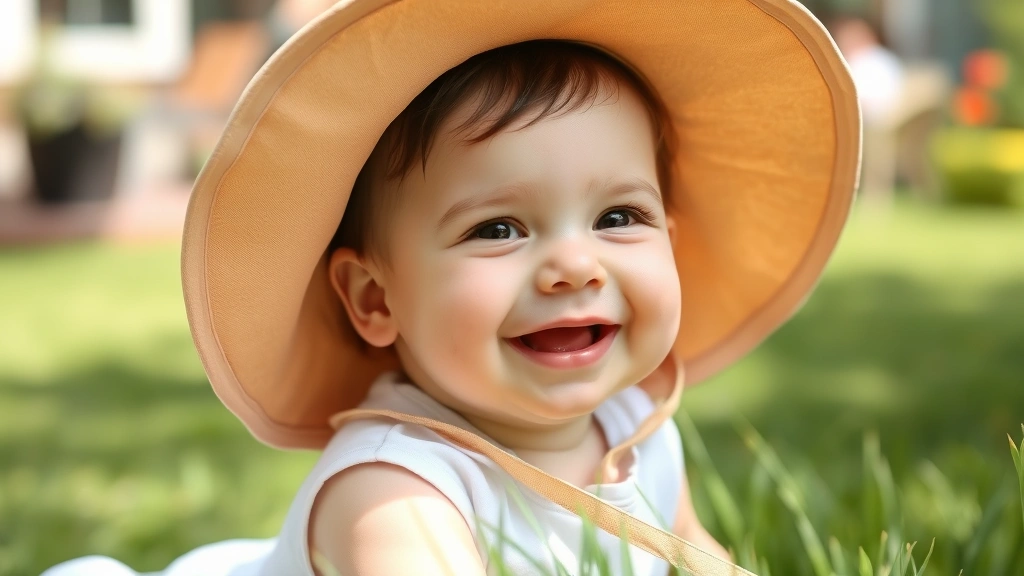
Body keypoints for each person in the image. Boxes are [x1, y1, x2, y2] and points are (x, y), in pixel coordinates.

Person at [43, 0, 860, 574]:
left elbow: (691, 557)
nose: (576, 265)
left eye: (617, 215)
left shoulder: (636, 431)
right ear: (374, 300)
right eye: (497, 229)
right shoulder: (395, 489)